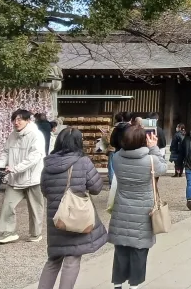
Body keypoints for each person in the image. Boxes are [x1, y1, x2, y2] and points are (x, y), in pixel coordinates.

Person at [38, 128, 107, 289]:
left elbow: (45, 190)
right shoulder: (83, 162)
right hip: (77, 215)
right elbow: (96, 188)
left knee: (54, 259)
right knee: (72, 259)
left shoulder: (47, 164)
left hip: (56, 217)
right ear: (78, 142)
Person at [109, 125, 166, 289]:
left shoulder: (117, 158)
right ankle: (134, 285)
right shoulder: (150, 160)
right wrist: (154, 148)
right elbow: (162, 167)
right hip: (143, 211)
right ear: (143, 141)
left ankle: (118, 283)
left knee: (120, 250)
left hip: (121, 208)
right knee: (139, 250)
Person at [0, 109, 47, 244]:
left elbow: (35, 157)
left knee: (35, 207)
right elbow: (5, 152)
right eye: (14, 119)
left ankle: (36, 234)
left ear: (28, 120)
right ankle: (8, 232)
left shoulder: (36, 135)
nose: (16, 122)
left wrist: (16, 168)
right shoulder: (12, 135)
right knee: (8, 204)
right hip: (15, 177)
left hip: (33, 178)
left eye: (19, 120)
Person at [108, 113, 132, 183]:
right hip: (128, 153)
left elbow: (111, 142)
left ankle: (113, 185)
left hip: (117, 152)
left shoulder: (115, 129)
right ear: (131, 119)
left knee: (115, 169)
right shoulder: (132, 129)